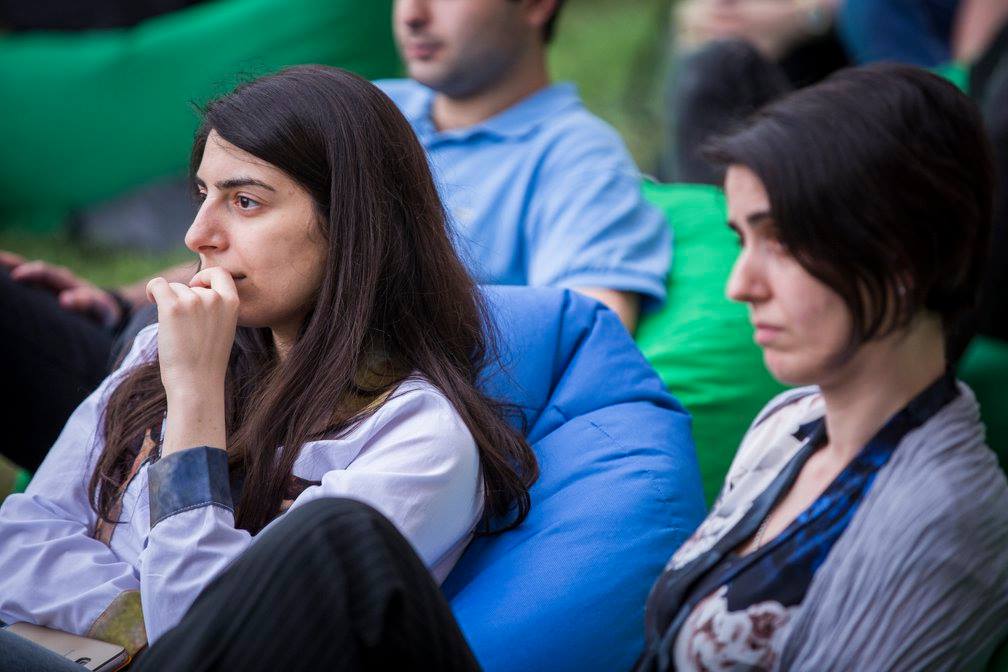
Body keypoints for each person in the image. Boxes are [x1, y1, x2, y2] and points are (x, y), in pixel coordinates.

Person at [0, 65, 537, 660]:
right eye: (203, 195)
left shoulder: (414, 439)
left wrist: (195, 399)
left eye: (245, 201)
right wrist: (128, 620)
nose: (198, 235)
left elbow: (210, 637)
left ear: (351, 225)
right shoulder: (159, 349)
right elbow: (19, 538)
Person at [1, 0, 668, 474]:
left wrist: (393, 323)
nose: (413, 14)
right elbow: (259, 245)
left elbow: (586, 336)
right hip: (181, 355)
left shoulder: (573, 158)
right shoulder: (376, 104)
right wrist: (120, 299)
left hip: (286, 406)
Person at [637, 64, 1008, 670]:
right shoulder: (788, 420)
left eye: (782, 241)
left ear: (902, 255)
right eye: (742, 241)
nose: (740, 285)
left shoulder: (942, 523)